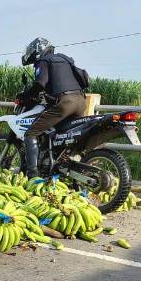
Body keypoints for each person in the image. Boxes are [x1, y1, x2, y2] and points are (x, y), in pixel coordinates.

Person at [19, 37, 87, 178]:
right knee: (61, 135)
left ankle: (32, 175)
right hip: (81, 102)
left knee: (31, 133)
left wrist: (25, 96)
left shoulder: (44, 61)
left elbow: (40, 83)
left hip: (66, 102)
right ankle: (59, 168)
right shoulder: (65, 59)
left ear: (38, 50)